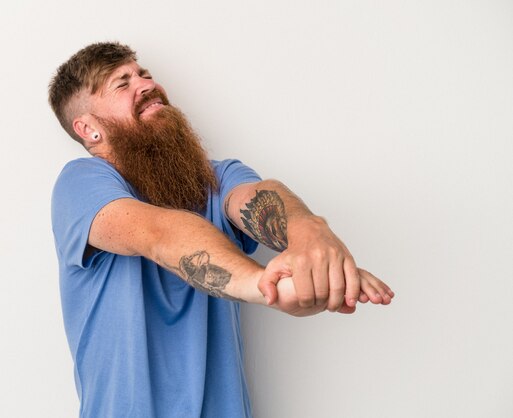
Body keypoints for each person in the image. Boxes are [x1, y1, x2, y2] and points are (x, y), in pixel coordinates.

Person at [48, 42, 394, 418]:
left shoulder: (216, 177)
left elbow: (261, 198)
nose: (146, 84)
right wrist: (265, 286)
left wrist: (311, 236)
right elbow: (159, 234)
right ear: (89, 129)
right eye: (122, 83)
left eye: (144, 73)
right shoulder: (80, 184)